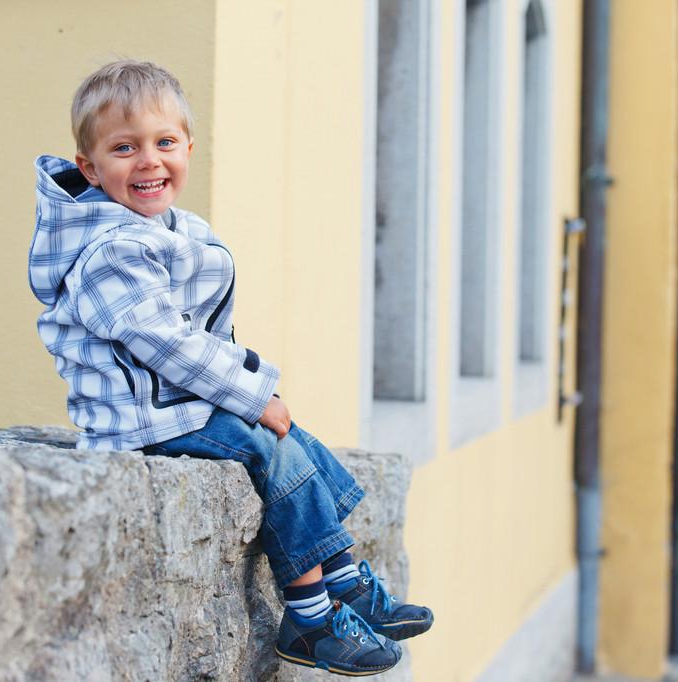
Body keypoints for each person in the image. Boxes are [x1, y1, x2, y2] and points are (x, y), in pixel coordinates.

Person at [28, 59, 433, 676]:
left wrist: (253, 395)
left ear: (189, 147)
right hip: (138, 421)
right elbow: (169, 345)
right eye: (124, 148)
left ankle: (346, 580)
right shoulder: (109, 251)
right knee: (272, 446)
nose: (148, 161)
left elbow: (195, 337)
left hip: (173, 405)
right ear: (89, 166)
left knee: (293, 440)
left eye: (165, 143)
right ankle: (311, 617)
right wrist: (251, 393)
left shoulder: (170, 230)